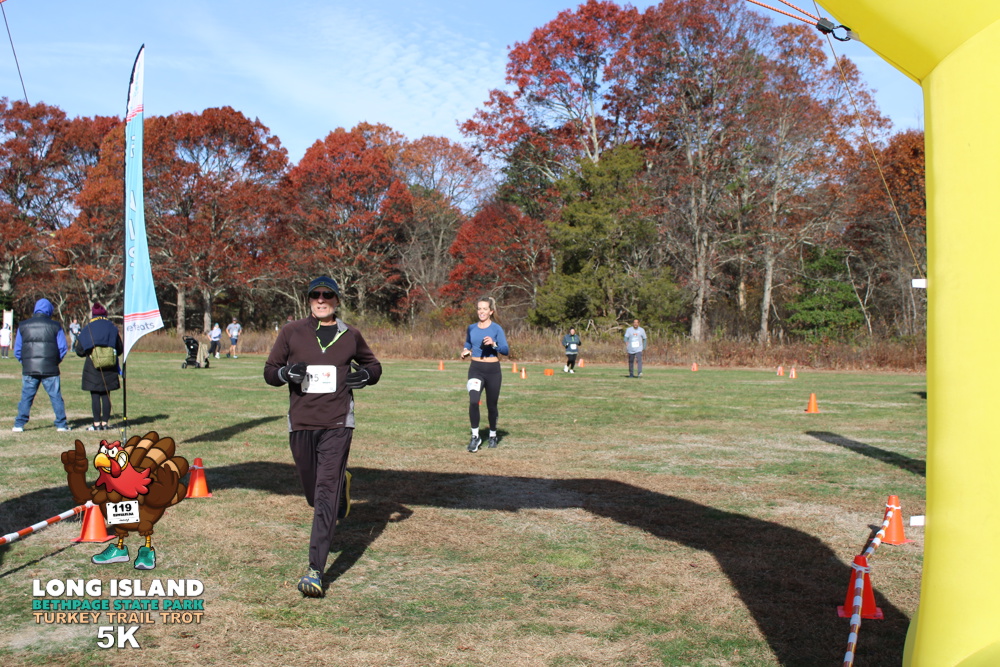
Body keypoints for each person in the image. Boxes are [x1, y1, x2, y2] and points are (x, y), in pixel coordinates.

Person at [263, 276, 381, 598]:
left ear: (336, 300)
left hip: (338, 423)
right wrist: (285, 373)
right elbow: (270, 371)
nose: (321, 299)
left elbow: (374, 366)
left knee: (325, 495)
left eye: (327, 294)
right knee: (314, 495)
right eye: (315, 294)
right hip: (301, 423)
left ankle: (315, 570)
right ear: (308, 300)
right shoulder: (291, 332)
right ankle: (341, 487)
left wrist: (365, 375)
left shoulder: (350, 334)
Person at [12, 298, 71, 432]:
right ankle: (61, 425)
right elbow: (62, 348)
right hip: (50, 367)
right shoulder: (55, 326)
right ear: (49, 310)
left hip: (30, 368)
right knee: (55, 397)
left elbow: (17, 350)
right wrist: (55, 361)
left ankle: (19, 424)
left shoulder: (23, 325)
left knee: (26, 397)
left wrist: (25, 362)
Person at [460, 297, 509, 452]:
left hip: (493, 370)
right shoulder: (471, 328)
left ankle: (492, 434)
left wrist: (494, 344)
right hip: (476, 368)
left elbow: (505, 350)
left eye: (484, 309)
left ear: (491, 311)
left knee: (491, 405)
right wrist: (465, 350)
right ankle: (475, 436)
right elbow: (468, 343)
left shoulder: (496, 329)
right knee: (474, 401)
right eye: (479, 308)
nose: (481, 311)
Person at [74, 303, 124, 431]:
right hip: (110, 366)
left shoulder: (88, 328)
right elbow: (119, 349)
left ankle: (96, 424)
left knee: (95, 395)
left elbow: (79, 350)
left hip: (92, 366)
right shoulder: (112, 328)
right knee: (106, 395)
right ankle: (105, 423)